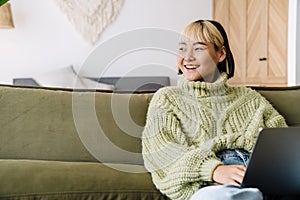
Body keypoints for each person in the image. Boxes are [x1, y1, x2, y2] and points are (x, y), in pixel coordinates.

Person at [141, 19, 288, 200]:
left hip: (258, 174)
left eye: (198, 48)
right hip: (209, 183)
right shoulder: (167, 99)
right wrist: (214, 170)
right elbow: (163, 153)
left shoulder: (251, 99)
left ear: (221, 54)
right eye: (182, 48)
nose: (187, 57)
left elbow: (283, 146)